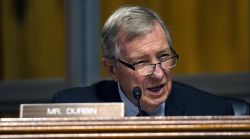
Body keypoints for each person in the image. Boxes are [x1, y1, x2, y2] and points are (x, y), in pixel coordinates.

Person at [52, 6, 234, 116]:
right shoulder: (71, 108)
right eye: (141, 63)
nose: (158, 73)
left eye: (163, 57)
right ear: (112, 69)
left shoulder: (212, 112)